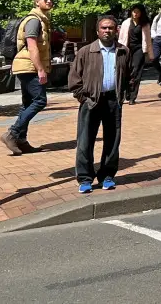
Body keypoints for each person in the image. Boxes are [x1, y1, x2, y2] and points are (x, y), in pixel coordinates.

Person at [69, 14, 128, 194]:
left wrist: (123, 96)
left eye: (110, 28)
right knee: (85, 141)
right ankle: (85, 178)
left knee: (112, 140)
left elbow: (130, 75)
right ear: (97, 31)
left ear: (116, 30)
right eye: (104, 28)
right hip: (91, 101)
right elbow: (74, 79)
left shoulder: (123, 51)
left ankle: (107, 176)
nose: (107, 31)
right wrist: (83, 98)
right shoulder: (86, 51)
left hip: (113, 100)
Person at [3, 0, 53, 156]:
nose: (49, 1)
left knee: (27, 104)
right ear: (36, 2)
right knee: (40, 101)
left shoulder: (42, 20)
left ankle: (21, 141)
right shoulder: (34, 21)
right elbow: (32, 47)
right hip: (29, 66)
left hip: (27, 65)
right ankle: (12, 133)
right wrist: (40, 69)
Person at [117, 4, 153, 104]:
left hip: (139, 50)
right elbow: (121, 38)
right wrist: (119, 50)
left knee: (136, 71)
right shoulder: (126, 23)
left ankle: (133, 96)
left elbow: (148, 40)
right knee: (126, 72)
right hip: (127, 49)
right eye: (134, 11)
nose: (135, 13)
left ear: (141, 13)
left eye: (137, 12)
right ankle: (127, 93)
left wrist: (151, 55)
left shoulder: (145, 24)